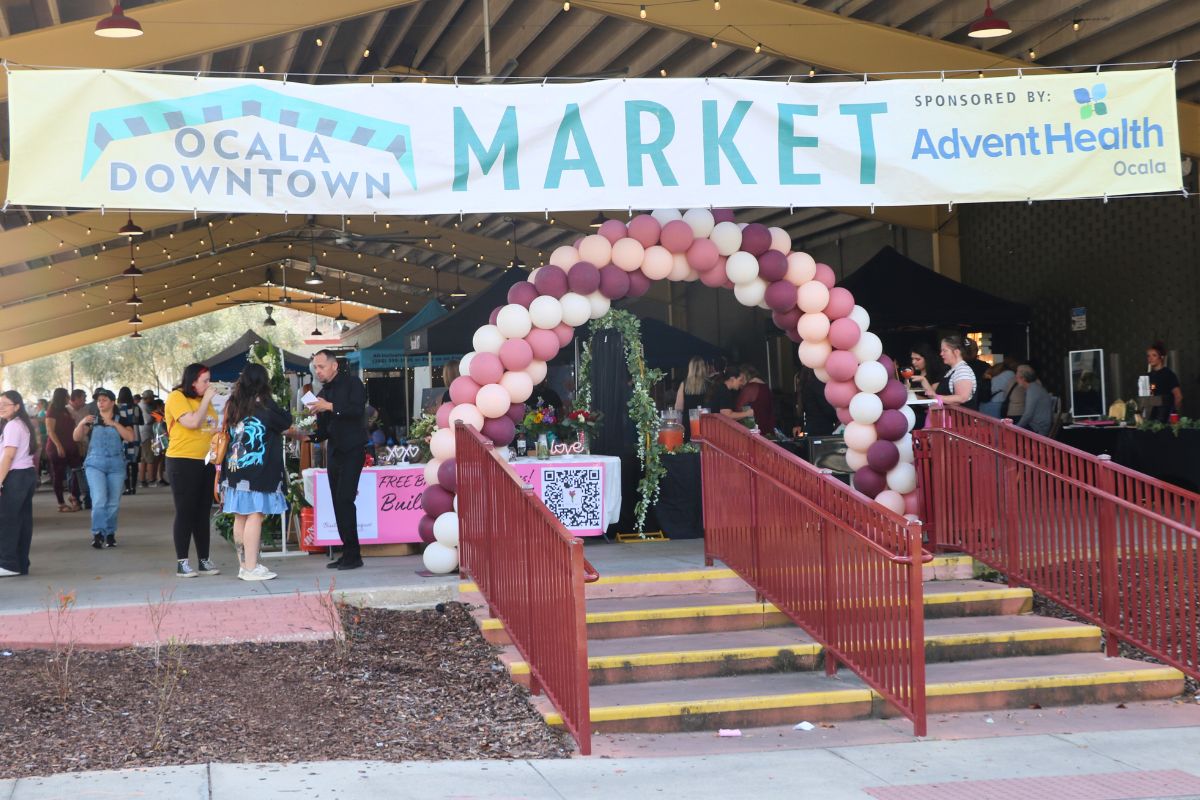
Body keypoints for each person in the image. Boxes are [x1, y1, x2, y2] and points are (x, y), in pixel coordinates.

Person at [221, 364, 292, 581]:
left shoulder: (232, 404)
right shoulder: (265, 409)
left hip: (234, 469)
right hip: (259, 472)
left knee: (240, 516)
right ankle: (251, 568)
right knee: (255, 515)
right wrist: (268, 400)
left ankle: (244, 565)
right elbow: (286, 421)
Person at [304, 350, 368, 571]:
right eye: (315, 368)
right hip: (334, 452)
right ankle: (347, 551)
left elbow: (357, 410)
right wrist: (304, 434)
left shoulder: (353, 384)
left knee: (345, 500)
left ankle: (354, 554)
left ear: (334, 366)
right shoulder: (323, 392)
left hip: (352, 449)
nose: (318, 371)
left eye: (321, 366)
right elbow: (324, 431)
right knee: (337, 503)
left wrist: (329, 407)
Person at [165, 363, 222, 578]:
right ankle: (182, 561)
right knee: (185, 510)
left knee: (202, 511)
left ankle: (204, 559)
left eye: (209, 380)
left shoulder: (202, 402)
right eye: (205, 381)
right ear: (192, 382)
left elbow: (207, 425)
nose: (209, 385)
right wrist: (207, 399)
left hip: (205, 461)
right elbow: (191, 422)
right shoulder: (177, 397)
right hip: (182, 461)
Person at [73, 388, 136, 549]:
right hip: (95, 463)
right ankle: (98, 533)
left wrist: (114, 424)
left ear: (112, 402)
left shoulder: (121, 418)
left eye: (104, 400)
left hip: (116, 464)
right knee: (99, 499)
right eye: (98, 400)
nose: (100, 403)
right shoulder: (92, 419)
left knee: (113, 502)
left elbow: (130, 437)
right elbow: (76, 437)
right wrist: (81, 422)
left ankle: (110, 533)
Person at [0, 391, 38, 577]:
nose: (1, 407)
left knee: (8, 521)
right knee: (22, 521)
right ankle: (21, 563)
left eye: (5, 404)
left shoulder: (12, 426)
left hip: (15, 476)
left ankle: (8, 563)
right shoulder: (21, 424)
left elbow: (8, 455)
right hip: (26, 475)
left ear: (17, 406)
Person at [44, 387, 82, 513]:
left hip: (71, 447)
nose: (68, 398)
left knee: (77, 471)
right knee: (58, 475)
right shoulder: (52, 410)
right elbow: (50, 431)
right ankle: (61, 503)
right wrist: (59, 446)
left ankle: (74, 496)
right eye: (67, 396)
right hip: (56, 448)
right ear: (61, 397)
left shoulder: (66, 410)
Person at [914, 336, 978, 409]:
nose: (941, 354)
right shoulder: (953, 371)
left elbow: (961, 398)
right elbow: (936, 398)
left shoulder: (962, 370)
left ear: (956, 352)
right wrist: (923, 380)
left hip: (960, 420)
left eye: (945, 350)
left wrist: (936, 397)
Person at [1145, 342, 1182, 423]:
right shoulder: (1147, 376)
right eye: (1148, 356)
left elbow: (1178, 396)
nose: (1150, 358)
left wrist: (1174, 415)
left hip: (1166, 417)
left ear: (1161, 357)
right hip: (1151, 418)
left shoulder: (1168, 374)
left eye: (1154, 355)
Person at [674, 357, 709, 440]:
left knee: (690, 448)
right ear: (703, 368)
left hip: (688, 423)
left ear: (690, 368)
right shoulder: (709, 384)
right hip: (706, 422)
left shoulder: (684, 384)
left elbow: (678, 408)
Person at [116, 387, 143, 495]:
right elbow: (141, 421)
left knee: (125, 463)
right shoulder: (136, 407)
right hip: (135, 436)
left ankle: (127, 488)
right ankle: (133, 487)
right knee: (135, 463)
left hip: (123, 436)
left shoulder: (117, 408)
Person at [735, 364, 776, 435]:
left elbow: (738, 410)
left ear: (744, 375)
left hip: (756, 433)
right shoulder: (765, 386)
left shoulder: (750, 388)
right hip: (768, 430)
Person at [1014, 365, 1053, 436]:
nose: (1016, 379)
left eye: (1017, 377)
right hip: (1038, 426)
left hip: (1038, 428)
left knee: (1011, 435)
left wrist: (1015, 428)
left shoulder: (1032, 390)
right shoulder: (1034, 387)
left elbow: (1028, 415)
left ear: (1023, 378)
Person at [137, 390, 156, 488]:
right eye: (152, 398)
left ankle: (142, 480)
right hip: (146, 435)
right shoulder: (144, 407)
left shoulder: (141, 406)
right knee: (150, 458)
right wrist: (155, 416)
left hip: (142, 435)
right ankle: (151, 479)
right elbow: (148, 421)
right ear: (148, 398)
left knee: (143, 459)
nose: (153, 400)